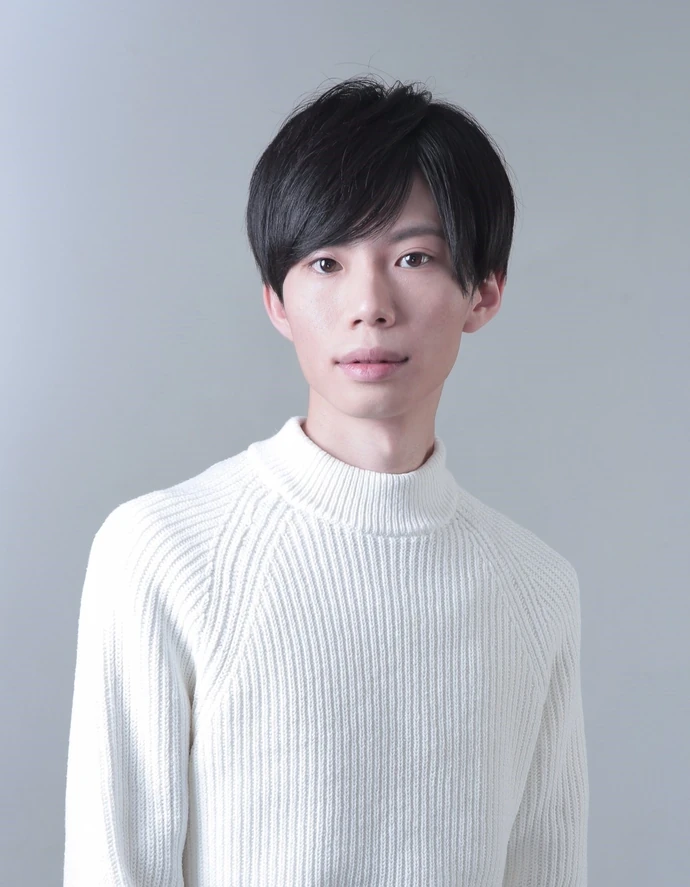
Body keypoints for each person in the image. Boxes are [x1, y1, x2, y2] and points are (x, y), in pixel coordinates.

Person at [63, 74, 589, 886]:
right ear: (277, 300)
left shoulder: (537, 589)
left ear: (484, 291)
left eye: (413, 257)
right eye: (325, 262)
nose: (368, 304)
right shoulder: (162, 555)